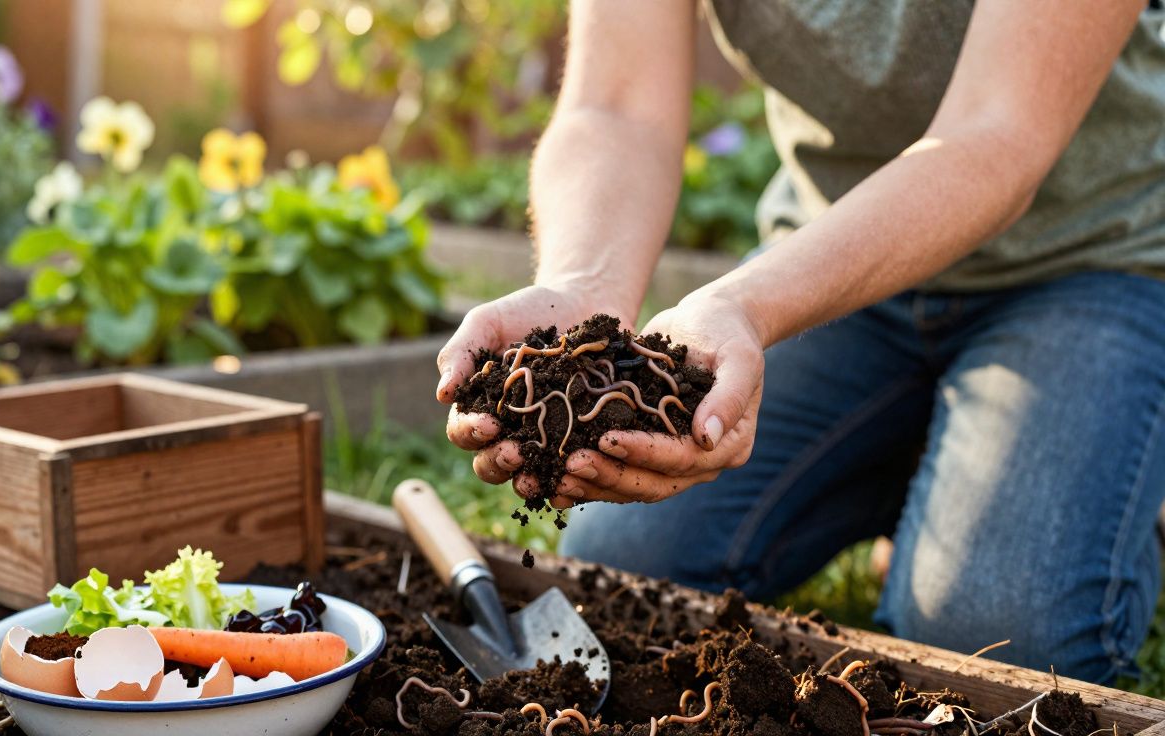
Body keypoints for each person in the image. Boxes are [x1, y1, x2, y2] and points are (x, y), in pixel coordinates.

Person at [438, 0, 1165, 685]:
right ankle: (920, 464)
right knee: (627, 557)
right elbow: (615, 104)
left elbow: (998, 133)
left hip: (1095, 262)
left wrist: (746, 305)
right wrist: (583, 282)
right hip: (837, 266)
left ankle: (1120, 485)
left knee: (995, 632)